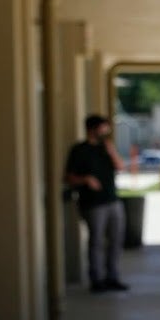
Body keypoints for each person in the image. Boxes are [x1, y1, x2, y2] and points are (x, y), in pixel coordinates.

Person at [64, 113, 128, 293]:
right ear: (92, 129)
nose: (106, 131)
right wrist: (85, 179)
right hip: (92, 203)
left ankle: (112, 276)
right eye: (103, 128)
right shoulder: (79, 150)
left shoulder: (106, 148)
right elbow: (68, 177)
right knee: (97, 241)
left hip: (112, 200)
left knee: (116, 240)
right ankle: (96, 279)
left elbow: (121, 167)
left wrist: (112, 151)